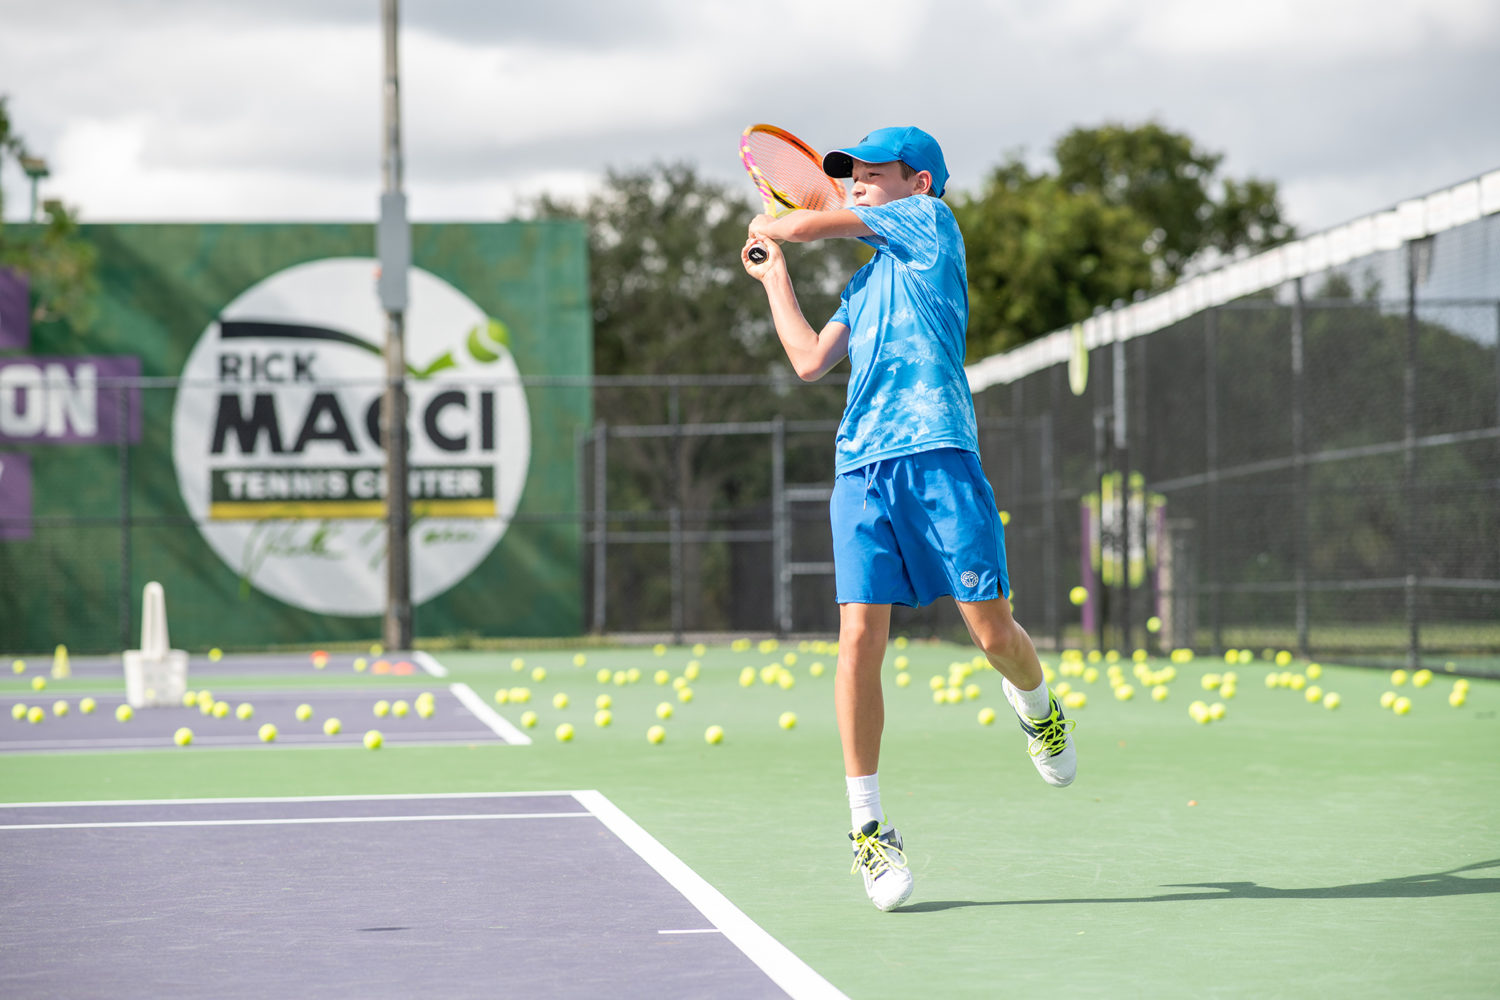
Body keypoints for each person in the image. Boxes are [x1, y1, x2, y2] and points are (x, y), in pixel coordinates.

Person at [741, 126, 1076, 912]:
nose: (854, 183)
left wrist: (780, 222)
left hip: (941, 458)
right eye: (846, 174)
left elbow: (813, 221)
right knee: (859, 634)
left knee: (994, 634)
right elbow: (808, 362)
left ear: (918, 184)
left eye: (870, 173)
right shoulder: (863, 286)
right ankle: (869, 832)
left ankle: (1038, 708)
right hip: (861, 467)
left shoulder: (933, 227)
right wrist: (774, 279)